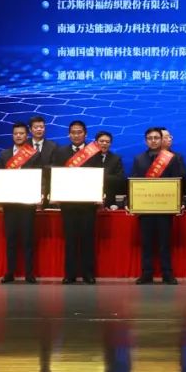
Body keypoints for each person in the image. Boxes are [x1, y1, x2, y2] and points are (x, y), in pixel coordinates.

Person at [131, 127, 186, 284]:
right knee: (146, 243)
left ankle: (167, 273)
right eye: (150, 138)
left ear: (162, 140)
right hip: (145, 207)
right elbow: (134, 181)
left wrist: (178, 202)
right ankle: (146, 273)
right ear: (145, 141)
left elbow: (178, 181)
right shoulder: (139, 159)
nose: (153, 141)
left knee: (164, 243)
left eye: (156, 138)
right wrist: (133, 203)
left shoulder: (171, 158)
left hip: (165, 207)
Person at [0, 122, 43, 284]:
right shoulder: (4, 155)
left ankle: (29, 273)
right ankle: (10, 272)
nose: (18, 136)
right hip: (10, 204)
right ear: (12, 135)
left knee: (28, 240)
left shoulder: (34, 155)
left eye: (21, 133)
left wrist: (39, 195)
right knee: (11, 240)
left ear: (26, 135)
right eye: (16, 133)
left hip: (27, 203)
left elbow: (39, 177)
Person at [57, 120, 102, 284]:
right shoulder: (61, 152)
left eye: (79, 132)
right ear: (69, 134)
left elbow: (100, 175)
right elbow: (56, 176)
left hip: (87, 204)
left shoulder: (94, 152)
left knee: (87, 240)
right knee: (70, 240)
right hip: (68, 204)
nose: (76, 135)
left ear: (85, 134)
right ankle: (70, 274)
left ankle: (88, 274)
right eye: (73, 132)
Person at [94, 130, 127, 208]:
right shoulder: (89, 158)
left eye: (107, 142)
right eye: (101, 141)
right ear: (96, 142)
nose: (104, 143)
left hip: (109, 197)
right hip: (91, 198)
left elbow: (120, 178)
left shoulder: (116, 158)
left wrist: (99, 176)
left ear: (110, 144)